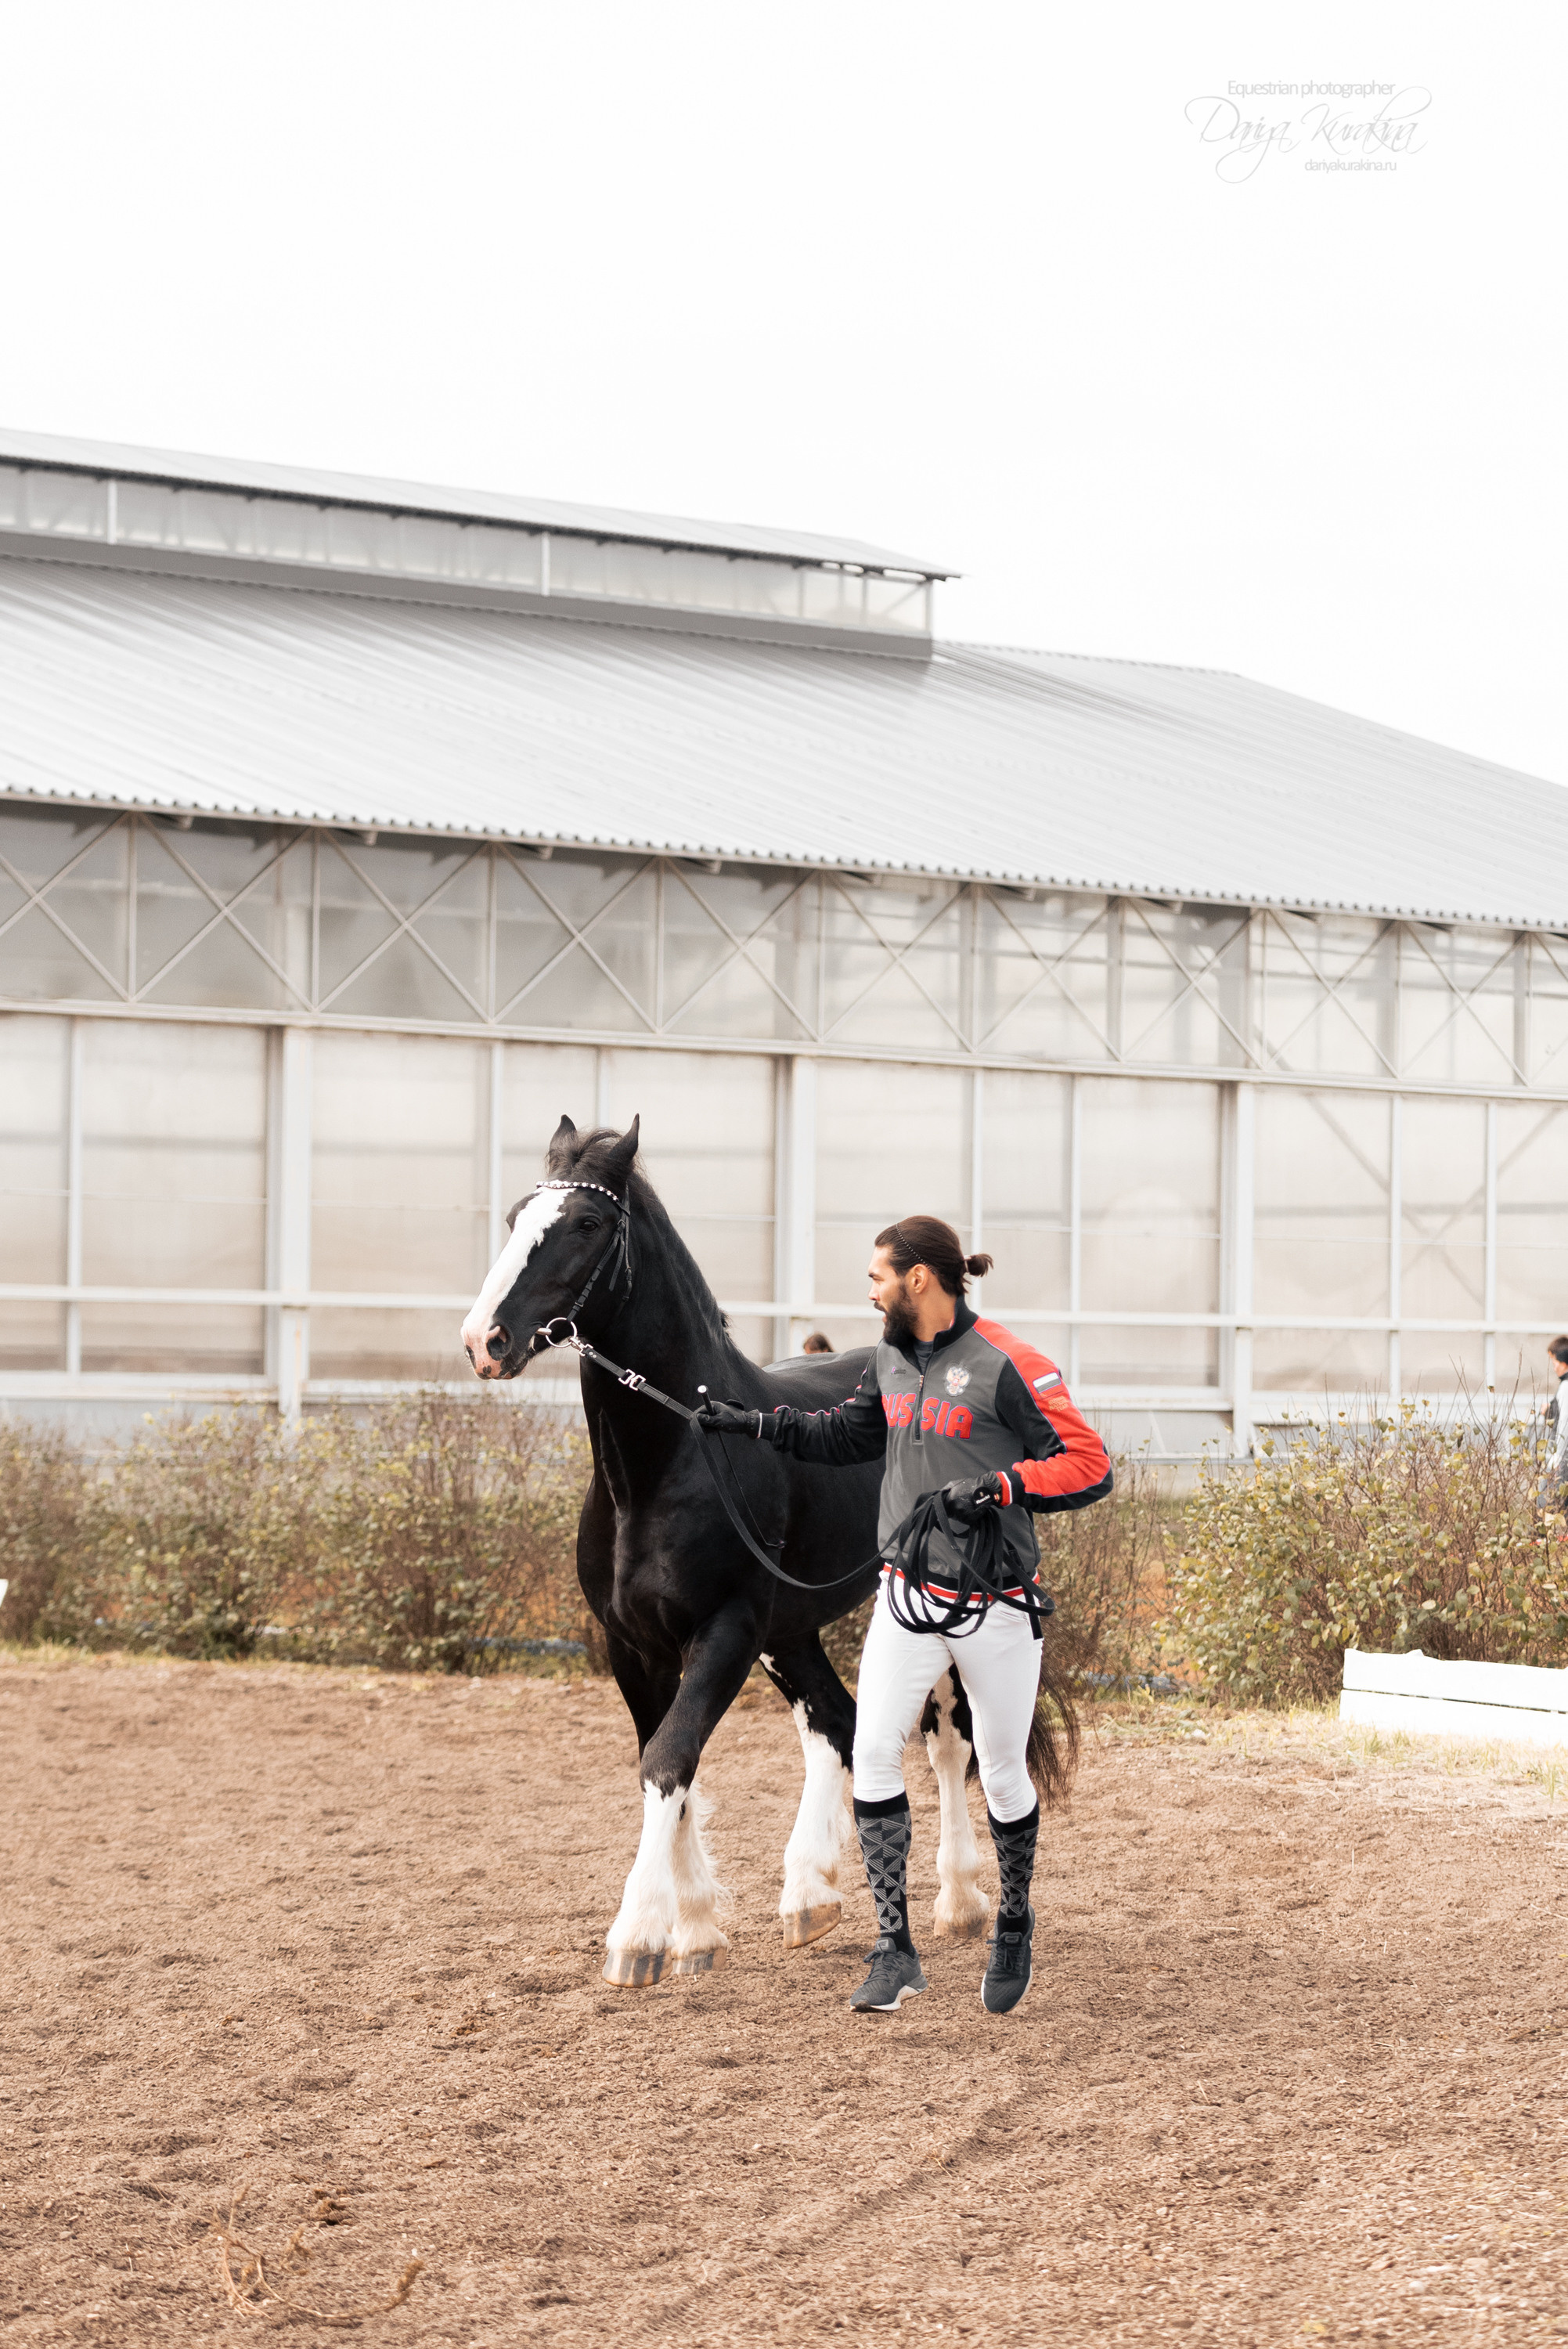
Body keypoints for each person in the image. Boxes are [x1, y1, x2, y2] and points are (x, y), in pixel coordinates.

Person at [697, 1215, 1112, 2018]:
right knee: (874, 1753)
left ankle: (1014, 1921)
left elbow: (1088, 1465)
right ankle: (894, 1948)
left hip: (994, 1603)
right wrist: (749, 1426)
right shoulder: (888, 1360)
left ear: (919, 1278)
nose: (870, 1287)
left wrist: (1002, 1487)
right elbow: (841, 1435)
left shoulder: (1009, 1364)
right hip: (906, 1594)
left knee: (998, 1771)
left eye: (877, 1275)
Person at [1545, 1337, 1568, 1499]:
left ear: (1564, 1364)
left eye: (1555, 1363)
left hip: (1563, 1460)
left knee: (1545, 1504)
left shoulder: (1566, 1388)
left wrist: (1557, 1457)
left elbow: (1565, 1424)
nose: (1554, 1368)